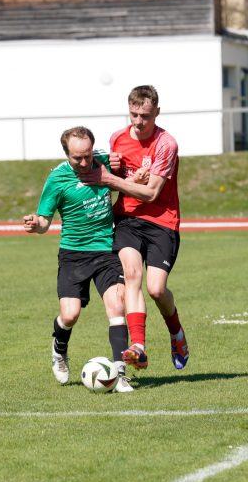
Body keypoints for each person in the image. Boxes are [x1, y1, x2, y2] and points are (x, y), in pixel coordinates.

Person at [83, 84, 189, 372]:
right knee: (132, 274)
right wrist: (113, 168)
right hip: (128, 218)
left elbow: (152, 193)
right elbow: (117, 175)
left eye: (144, 115)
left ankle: (176, 333)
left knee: (156, 289)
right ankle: (138, 348)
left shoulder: (166, 144)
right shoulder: (118, 138)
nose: (138, 122)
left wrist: (111, 179)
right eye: (133, 115)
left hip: (162, 221)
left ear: (157, 112)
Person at [23, 126, 133, 393]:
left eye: (88, 156)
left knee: (117, 308)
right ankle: (59, 350)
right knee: (70, 315)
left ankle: (120, 374)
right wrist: (35, 224)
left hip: (107, 250)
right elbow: (45, 221)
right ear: (66, 155)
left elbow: (127, 171)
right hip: (73, 254)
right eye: (77, 158)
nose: (84, 163)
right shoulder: (57, 180)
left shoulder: (104, 161)